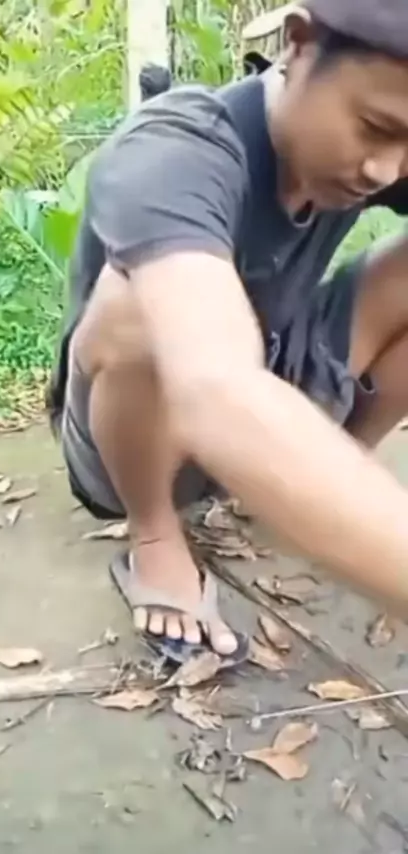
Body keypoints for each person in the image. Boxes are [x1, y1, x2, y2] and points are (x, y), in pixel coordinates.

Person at [48, 0, 408, 663]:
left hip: (274, 368)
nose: (385, 170)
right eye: (374, 128)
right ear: (297, 44)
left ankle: (328, 473)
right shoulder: (175, 149)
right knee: (138, 305)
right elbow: (213, 388)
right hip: (138, 428)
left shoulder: (377, 151)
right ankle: (155, 536)